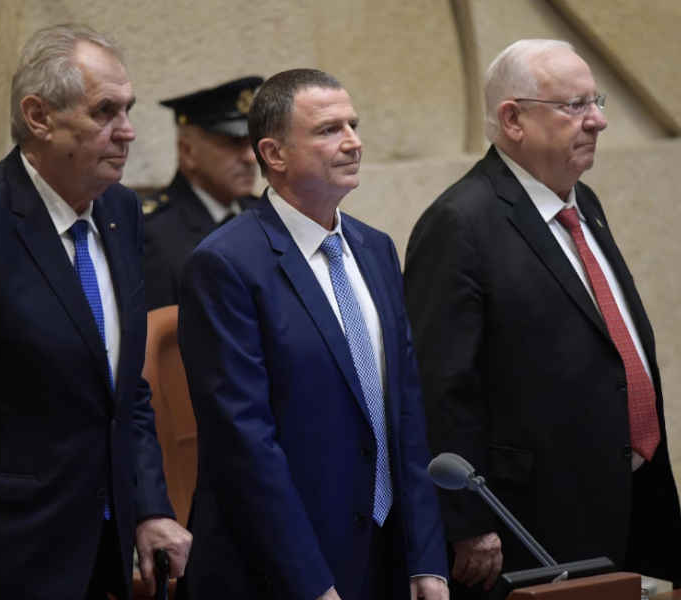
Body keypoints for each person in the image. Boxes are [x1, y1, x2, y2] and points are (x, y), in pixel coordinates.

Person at [0, 24, 191, 600]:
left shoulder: (121, 212)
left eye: (128, 110)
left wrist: (150, 506)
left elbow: (125, 395)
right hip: (2, 558)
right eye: (104, 112)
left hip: (106, 551)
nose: (127, 132)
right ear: (39, 115)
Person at [404, 39, 681, 597]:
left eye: (596, 101)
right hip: (535, 521)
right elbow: (441, 387)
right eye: (575, 106)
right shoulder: (460, 223)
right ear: (513, 119)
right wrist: (466, 521)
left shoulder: (584, 203)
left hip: (634, 493)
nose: (598, 121)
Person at [177, 68, 448, 600]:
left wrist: (426, 560)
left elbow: (407, 414)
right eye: (329, 130)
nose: (353, 142)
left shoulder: (376, 249)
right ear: (274, 154)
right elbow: (244, 443)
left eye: (354, 124)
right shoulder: (226, 264)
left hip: (387, 555)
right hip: (282, 570)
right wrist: (310, 583)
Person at [142, 76, 263, 310]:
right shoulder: (152, 231)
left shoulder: (264, 215)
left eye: (252, 143)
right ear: (188, 151)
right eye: (233, 142)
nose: (250, 157)